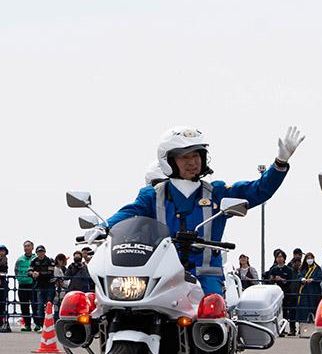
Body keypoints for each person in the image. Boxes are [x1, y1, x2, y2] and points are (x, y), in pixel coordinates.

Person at [104, 126, 304, 297]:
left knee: (213, 315)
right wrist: (101, 227)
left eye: (196, 155)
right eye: (185, 157)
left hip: (206, 276)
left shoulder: (216, 192)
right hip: (160, 274)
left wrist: (280, 163)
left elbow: (258, 190)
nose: (192, 162)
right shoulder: (152, 195)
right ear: (169, 160)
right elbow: (128, 213)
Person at [28, 245, 56, 328]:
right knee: (40, 306)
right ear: (36, 253)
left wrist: (39, 274)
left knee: (49, 305)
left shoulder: (50, 260)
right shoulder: (34, 260)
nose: (40, 253)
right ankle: (41, 325)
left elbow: (50, 273)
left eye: (42, 251)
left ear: (45, 252)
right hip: (40, 286)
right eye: (39, 252)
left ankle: (49, 324)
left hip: (49, 285)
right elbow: (28, 271)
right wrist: (32, 273)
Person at [15, 241, 34, 331]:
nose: (26, 248)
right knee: (24, 306)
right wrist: (20, 279)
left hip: (33, 285)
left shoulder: (35, 258)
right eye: (25, 246)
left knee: (35, 305)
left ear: (32, 247)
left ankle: (38, 325)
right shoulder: (20, 259)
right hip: (22, 285)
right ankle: (27, 325)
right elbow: (16, 271)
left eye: (28, 246)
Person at [0, 245, 9, 332]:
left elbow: (4, 271)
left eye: (3, 251)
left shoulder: (5, 259)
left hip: (3, 281)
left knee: (3, 302)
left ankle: (2, 321)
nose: (1, 253)